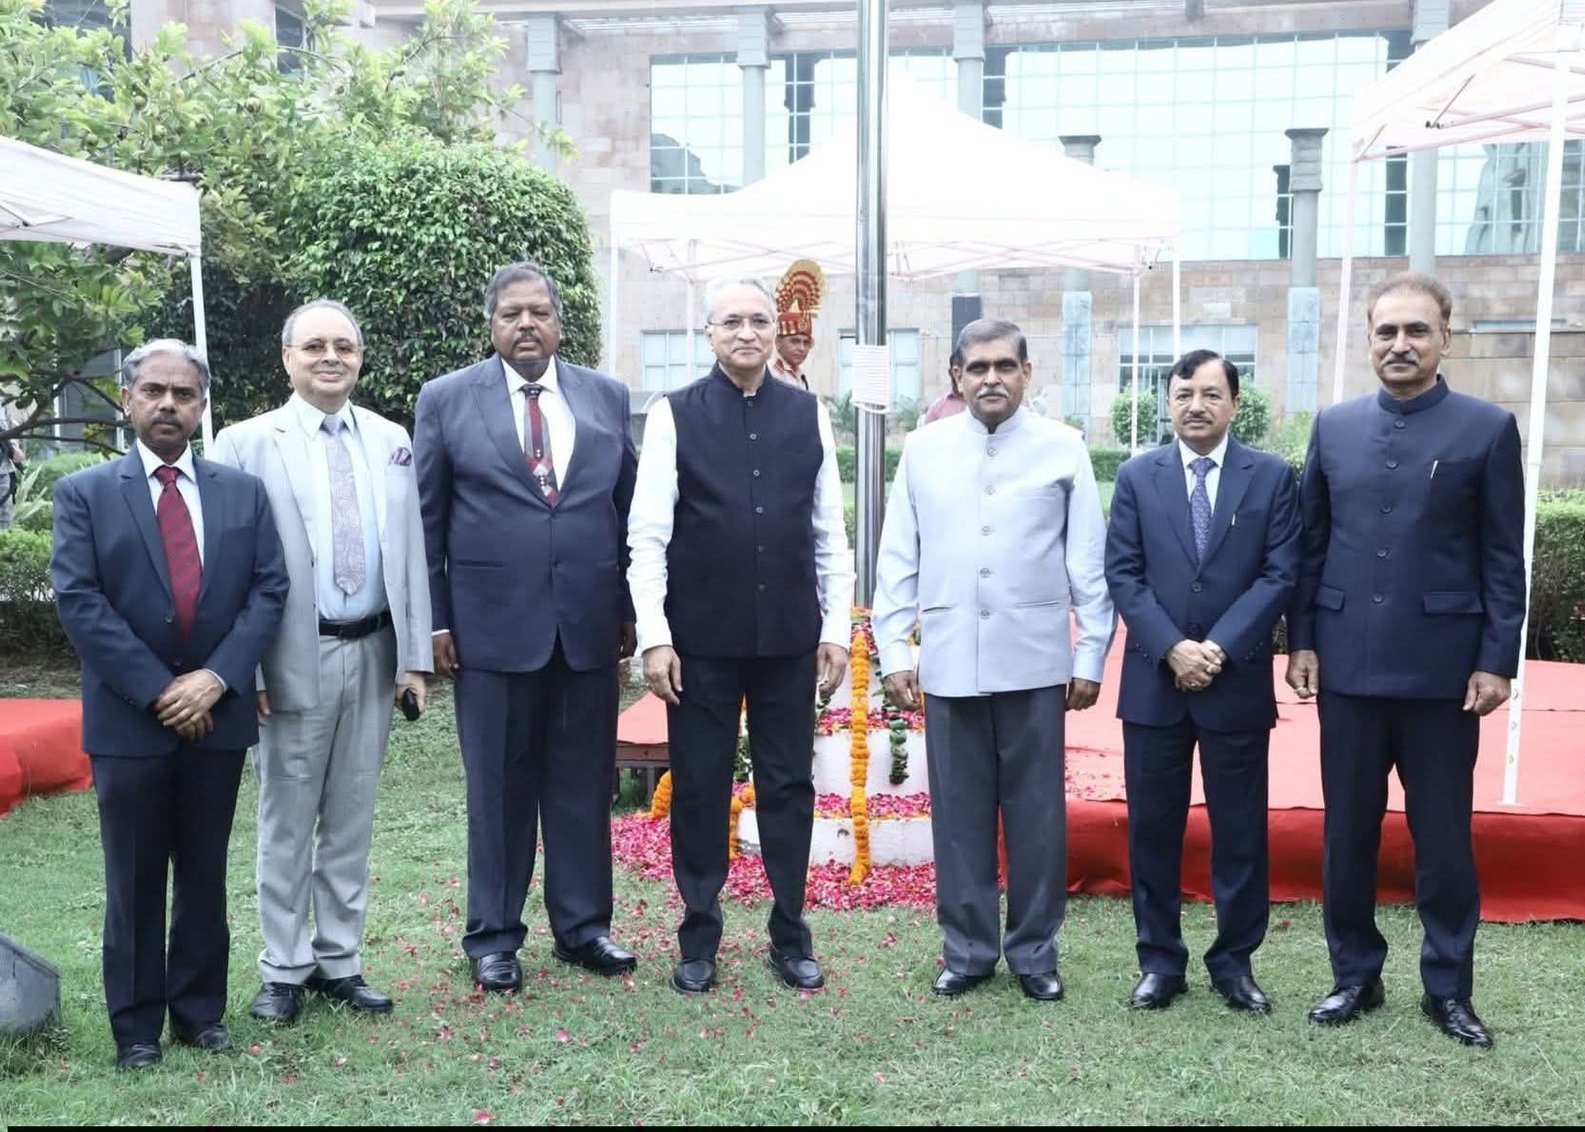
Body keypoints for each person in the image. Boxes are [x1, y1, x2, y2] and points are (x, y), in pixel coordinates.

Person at [1288, 272, 1526, 1049]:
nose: (1400, 344)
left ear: (1445, 338)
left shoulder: (1487, 429)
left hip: (1445, 677)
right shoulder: (1334, 427)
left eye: (1416, 330)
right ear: (1368, 339)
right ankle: (1354, 975)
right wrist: (1303, 640)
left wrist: (1497, 659)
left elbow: (1502, 557)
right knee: (1347, 835)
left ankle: (1448, 989)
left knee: (1444, 839)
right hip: (1347, 669)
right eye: (1386, 331)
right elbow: (1311, 545)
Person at [49, 340, 288, 1070]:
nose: (167, 405)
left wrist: (216, 678)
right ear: (127, 399)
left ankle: (199, 1012)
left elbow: (268, 589)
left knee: (205, 872)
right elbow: (79, 600)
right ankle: (136, 1029)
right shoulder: (86, 493)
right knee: (134, 876)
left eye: (183, 394)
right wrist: (162, 689)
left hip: (219, 715)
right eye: (153, 391)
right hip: (129, 720)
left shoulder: (241, 493)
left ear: (201, 406)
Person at [872, 318, 1115, 1003]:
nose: (991, 379)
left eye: (1005, 366)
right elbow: (898, 557)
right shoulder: (923, 450)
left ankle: (1035, 952)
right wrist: (895, 648)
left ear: (1027, 374)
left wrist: (1091, 652)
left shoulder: (1063, 447)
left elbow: (1087, 561)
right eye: (977, 367)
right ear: (956, 375)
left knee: (1038, 816)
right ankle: (968, 951)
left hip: (1035, 660)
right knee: (958, 816)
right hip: (950, 659)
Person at [414, 262, 638, 994]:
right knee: (499, 789)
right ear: (492, 324)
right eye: (511, 313)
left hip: (587, 627)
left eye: (539, 312)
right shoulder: (447, 399)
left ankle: (583, 927)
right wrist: (435, 621)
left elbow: (627, 512)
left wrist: (629, 610)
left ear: (559, 322)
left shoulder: (605, 397)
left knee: (583, 784)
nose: (526, 325)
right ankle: (493, 936)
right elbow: (427, 520)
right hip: (489, 631)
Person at [628, 276, 853, 996]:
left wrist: (836, 627)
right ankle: (699, 934)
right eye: (732, 322)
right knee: (699, 786)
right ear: (710, 334)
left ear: (775, 328)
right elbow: (648, 535)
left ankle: (790, 933)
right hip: (701, 640)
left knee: (788, 784)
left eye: (759, 320)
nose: (747, 332)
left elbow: (830, 532)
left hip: (788, 636)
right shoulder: (673, 414)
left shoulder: (808, 413)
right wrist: (655, 635)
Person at [210, 300, 432, 1025]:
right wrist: (247, 669)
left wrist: (414, 659)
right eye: (314, 346)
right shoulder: (245, 443)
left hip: (374, 650)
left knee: (351, 816)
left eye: (344, 345)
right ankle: (284, 967)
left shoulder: (392, 440)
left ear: (359, 357)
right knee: (287, 817)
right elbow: (227, 570)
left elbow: (410, 553)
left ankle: (340, 959)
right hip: (288, 659)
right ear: (287, 359)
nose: (330, 356)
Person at [1103, 349, 1301, 1015]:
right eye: (1184, 393)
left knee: (1240, 832)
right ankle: (1159, 962)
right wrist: (1172, 648)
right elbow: (1123, 572)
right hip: (1154, 683)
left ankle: (1234, 962)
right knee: (1152, 829)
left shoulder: (1271, 477)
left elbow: (1279, 573)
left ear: (1236, 404)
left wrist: (1216, 647)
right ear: (1168, 401)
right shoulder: (1138, 476)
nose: (1196, 405)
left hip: (1234, 680)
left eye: (1211, 394)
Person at [771, 259, 825, 390]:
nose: (801, 348)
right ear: (778, 342)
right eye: (795, 341)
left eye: (806, 343)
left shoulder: (800, 376)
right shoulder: (768, 374)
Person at [918, 353, 966, 426]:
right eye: (957, 371)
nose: (960, 375)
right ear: (951, 373)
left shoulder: (981, 404)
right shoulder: (937, 408)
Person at [0, 399, 25, 530]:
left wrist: (15, 449)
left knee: (5, 516)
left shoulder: (2, 404)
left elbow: (11, 429)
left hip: (3, 469)